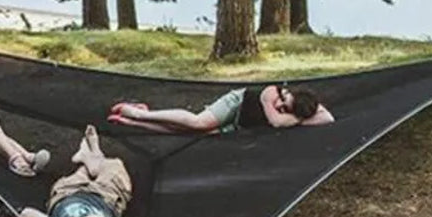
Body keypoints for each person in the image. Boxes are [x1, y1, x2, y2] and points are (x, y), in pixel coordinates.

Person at [18, 125, 149, 217]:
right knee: (115, 165)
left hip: (68, 191)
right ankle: (94, 156)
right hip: (107, 196)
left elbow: (26, 215)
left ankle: (89, 161)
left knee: (83, 172)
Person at [106, 84, 334, 134]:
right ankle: (140, 113)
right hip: (236, 104)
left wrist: (299, 117)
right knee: (199, 123)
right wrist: (297, 119)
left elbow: (328, 118)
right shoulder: (271, 92)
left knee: (190, 134)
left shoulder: (297, 110)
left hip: (238, 126)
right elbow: (275, 122)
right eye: (284, 99)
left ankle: (136, 122)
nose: (280, 104)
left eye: (286, 108)